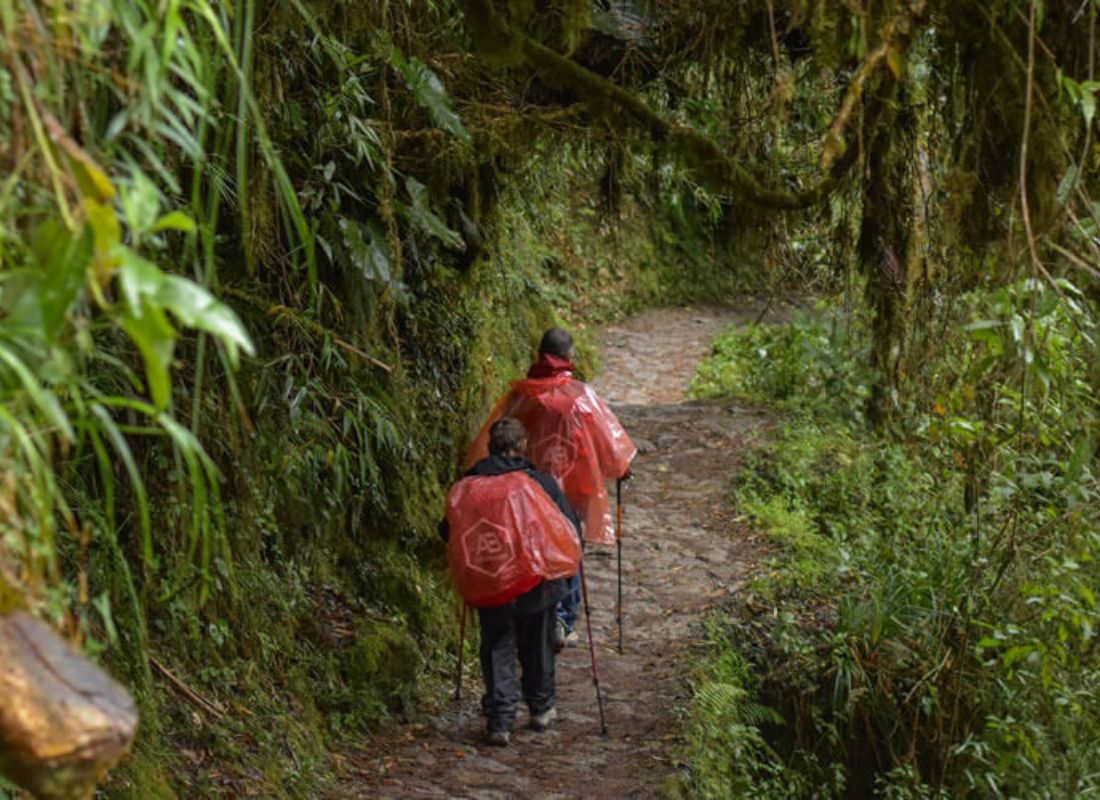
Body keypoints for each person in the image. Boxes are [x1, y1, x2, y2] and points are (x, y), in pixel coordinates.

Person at [466, 327, 636, 650]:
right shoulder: (580, 397)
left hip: (525, 488)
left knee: (530, 547)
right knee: (569, 546)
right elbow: (607, 440)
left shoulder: (521, 396)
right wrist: (621, 469)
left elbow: (497, 433)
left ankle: (532, 615)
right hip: (570, 491)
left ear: (539, 355)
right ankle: (561, 618)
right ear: (569, 358)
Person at [442, 418, 582, 746]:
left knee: (496, 646)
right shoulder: (540, 483)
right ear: (521, 448)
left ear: (490, 447)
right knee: (537, 644)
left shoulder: (469, 484)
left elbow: (448, 530)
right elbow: (569, 525)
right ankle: (540, 708)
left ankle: (500, 720)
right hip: (535, 581)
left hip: (490, 580)